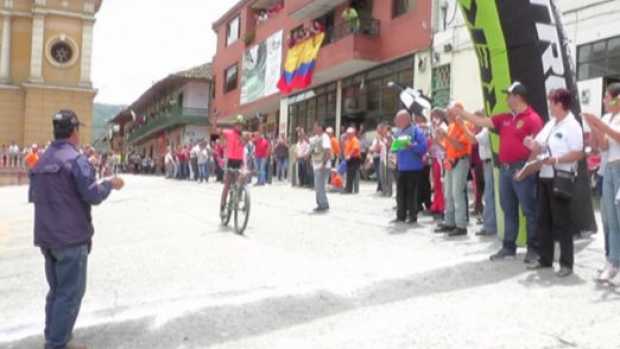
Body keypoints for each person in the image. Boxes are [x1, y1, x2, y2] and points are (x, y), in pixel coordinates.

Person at [29, 110, 124, 349]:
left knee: (56, 290)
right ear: (74, 131)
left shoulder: (42, 159)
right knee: (69, 293)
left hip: (46, 237)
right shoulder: (76, 159)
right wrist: (109, 184)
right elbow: (92, 194)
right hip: (70, 239)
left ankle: (55, 336)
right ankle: (57, 344)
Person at [453, 82, 543, 262]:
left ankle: (534, 249)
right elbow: (480, 121)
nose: (506, 99)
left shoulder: (533, 118)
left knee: (529, 210)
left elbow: (538, 148)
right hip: (505, 169)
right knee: (508, 209)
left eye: (509, 95)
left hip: (522, 168)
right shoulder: (505, 118)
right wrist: (462, 113)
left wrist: (526, 169)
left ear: (518, 97)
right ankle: (509, 247)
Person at [522, 88, 583, 277]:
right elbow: (539, 144)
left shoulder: (573, 126)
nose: (549, 105)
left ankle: (566, 263)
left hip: (561, 177)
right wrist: (531, 143)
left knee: (562, 222)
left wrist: (556, 160)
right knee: (544, 220)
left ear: (560, 104)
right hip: (545, 176)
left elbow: (577, 153)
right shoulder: (551, 124)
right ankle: (545, 259)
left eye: (552, 102)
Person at [583, 83, 620, 282]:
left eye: (607, 97)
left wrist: (601, 124)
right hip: (609, 170)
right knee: (610, 220)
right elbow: (602, 146)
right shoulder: (607, 118)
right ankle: (613, 261)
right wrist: (593, 126)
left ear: (617, 98)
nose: (604, 100)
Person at [434, 102, 473, 236]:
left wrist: (445, 136)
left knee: (457, 193)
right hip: (450, 162)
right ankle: (449, 222)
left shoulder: (466, 126)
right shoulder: (450, 126)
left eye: (450, 113)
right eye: (447, 113)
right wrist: (438, 141)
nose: (447, 115)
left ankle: (461, 225)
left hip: (461, 161)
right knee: (448, 194)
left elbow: (461, 147)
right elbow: (447, 147)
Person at [391, 110, 428, 224]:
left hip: (414, 167)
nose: (396, 122)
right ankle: (400, 215)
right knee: (400, 193)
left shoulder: (416, 131)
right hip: (401, 167)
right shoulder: (398, 132)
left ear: (406, 119)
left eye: (398, 119)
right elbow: (394, 149)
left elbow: (423, 148)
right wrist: (393, 145)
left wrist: (412, 146)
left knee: (412, 193)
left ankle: (412, 216)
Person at [211, 115, 247, 214]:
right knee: (227, 185)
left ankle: (239, 199)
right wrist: (215, 121)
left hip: (240, 161)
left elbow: (256, 136)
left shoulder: (244, 135)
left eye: (241, 125)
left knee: (242, 178)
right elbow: (217, 130)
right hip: (230, 161)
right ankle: (222, 207)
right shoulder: (229, 133)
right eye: (238, 125)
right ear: (235, 125)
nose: (239, 127)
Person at [473, 111, 497, 236]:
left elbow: (473, 140)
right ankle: (489, 223)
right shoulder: (483, 130)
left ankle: (490, 225)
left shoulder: (487, 130)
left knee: (489, 194)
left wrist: (461, 125)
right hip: (486, 163)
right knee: (488, 194)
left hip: (489, 163)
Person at [310, 123, 332, 212]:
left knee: (320, 186)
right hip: (317, 165)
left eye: (315, 127)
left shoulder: (325, 137)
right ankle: (320, 204)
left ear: (320, 128)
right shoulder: (316, 138)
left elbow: (327, 151)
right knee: (318, 186)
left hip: (323, 166)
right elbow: (310, 145)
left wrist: (324, 163)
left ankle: (323, 205)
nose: (314, 128)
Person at [429, 109, 447, 219]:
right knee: (436, 183)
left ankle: (442, 206)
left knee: (441, 183)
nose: (432, 118)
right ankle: (436, 204)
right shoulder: (435, 127)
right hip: (436, 157)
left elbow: (441, 141)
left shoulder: (443, 126)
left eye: (434, 116)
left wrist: (436, 137)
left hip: (442, 158)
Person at [343, 127, 361, 194]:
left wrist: (349, 155)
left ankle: (351, 189)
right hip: (349, 159)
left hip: (354, 159)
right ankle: (348, 188)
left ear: (353, 133)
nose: (348, 135)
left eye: (349, 133)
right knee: (349, 174)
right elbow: (346, 149)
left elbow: (355, 149)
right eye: (347, 133)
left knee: (353, 174)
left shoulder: (354, 140)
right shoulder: (348, 140)